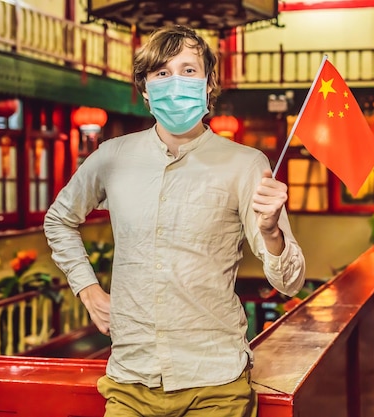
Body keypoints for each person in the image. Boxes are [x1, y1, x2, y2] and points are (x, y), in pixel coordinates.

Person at [43, 24, 306, 417]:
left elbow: (290, 281)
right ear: (146, 89)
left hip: (215, 382)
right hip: (130, 380)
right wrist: (88, 290)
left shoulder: (245, 164)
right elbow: (59, 220)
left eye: (188, 70)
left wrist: (271, 233)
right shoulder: (112, 156)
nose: (175, 81)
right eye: (162, 73)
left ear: (208, 83)